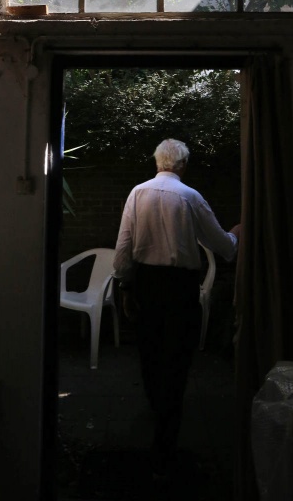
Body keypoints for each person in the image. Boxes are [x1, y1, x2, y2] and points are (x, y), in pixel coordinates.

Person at [113, 138, 240, 480]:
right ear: (182, 165)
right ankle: (170, 430)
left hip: (147, 284)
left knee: (149, 353)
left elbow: (124, 246)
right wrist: (236, 236)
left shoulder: (137, 193)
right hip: (180, 288)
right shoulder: (190, 197)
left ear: (157, 162)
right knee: (178, 358)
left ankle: (157, 415)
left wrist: (126, 287)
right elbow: (222, 245)